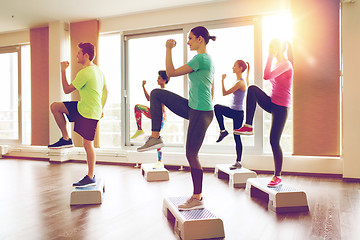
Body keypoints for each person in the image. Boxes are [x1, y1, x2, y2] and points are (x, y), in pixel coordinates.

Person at [137, 26, 215, 211]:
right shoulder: (206, 60)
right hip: (195, 107)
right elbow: (210, 89)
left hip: (200, 111)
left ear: (200, 39)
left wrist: (168, 49)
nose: (188, 42)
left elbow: (170, 73)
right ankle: (155, 136)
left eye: (190, 38)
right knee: (156, 93)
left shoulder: (201, 58)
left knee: (191, 154)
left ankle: (197, 197)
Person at [234, 38, 293, 188]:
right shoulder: (278, 64)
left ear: (280, 48)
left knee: (274, 140)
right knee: (252, 89)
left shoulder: (286, 64)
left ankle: (277, 175)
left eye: (273, 47)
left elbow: (267, 76)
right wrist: (271, 56)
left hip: (281, 107)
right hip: (272, 102)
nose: (270, 50)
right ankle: (248, 125)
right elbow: (266, 75)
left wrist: (271, 55)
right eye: (270, 47)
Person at [48, 42, 108, 188]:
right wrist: (101, 108)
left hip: (88, 112)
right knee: (55, 106)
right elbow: (106, 91)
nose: (76, 55)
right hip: (84, 108)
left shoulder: (85, 72)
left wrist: (63, 70)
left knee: (87, 144)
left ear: (86, 55)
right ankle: (66, 138)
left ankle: (90, 176)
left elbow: (67, 89)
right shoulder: (98, 71)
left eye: (79, 53)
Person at [214, 60, 249, 170]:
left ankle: (238, 162)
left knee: (237, 137)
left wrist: (222, 81)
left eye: (234, 66)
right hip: (235, 111)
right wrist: (249, 68)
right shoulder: (240, 80)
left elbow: (224, 93)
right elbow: (247, 77)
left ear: (239, 68)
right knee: (217, 108)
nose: (232, 68)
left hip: (237, 113)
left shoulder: (239, 83)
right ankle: (223, 131)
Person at [131, 71, 169, 169]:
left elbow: (162, 106)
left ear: (164, 80)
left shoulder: (164, 91)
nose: (157, 79)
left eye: (159, 78)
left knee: (157, 138)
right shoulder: (158, 91)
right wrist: (143, 87)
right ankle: (139, 129)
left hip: (161, 116)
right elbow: (149, 98)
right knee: (137, 107)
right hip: (155, 113)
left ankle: (160, 161)